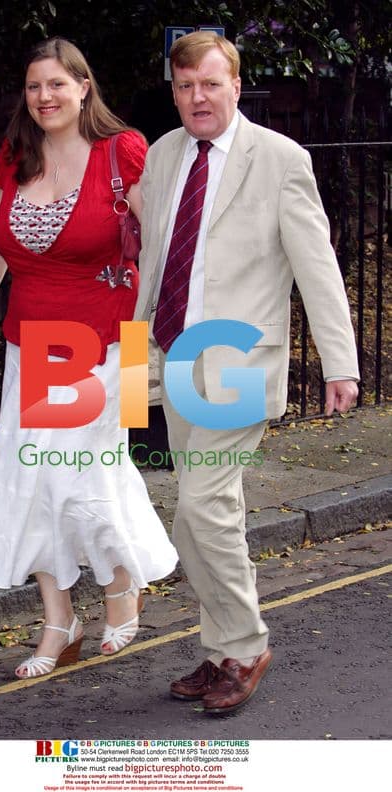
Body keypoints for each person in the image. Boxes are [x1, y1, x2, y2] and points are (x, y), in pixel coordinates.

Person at [134, 31, 359, 714]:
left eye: (209, 84)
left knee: (203, 505)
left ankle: (248, 645)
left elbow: (315, 265)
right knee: (196, 518)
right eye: (184, 86)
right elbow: (151, 262)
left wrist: (338, 362)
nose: (196, 98)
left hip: (238, 362)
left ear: (235, 85)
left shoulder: (281, 159)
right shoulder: (165, 154)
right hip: (169, 354)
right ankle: (221, 647)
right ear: (173, 91)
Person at [0, 36, 178, 679]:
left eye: (57, 84)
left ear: (84, 86)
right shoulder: (16, 154)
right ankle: (61, 618)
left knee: (83, 472)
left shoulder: (122, 151)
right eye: (33, 86)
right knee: (30, 479)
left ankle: (118, 585)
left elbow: (159, 246)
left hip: (112, 344)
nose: (44, 97)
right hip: (33, 347)